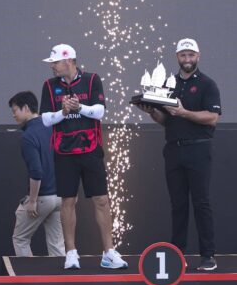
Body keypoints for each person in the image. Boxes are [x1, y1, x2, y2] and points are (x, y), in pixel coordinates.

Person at [135, 38, 221, 271]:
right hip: (173, 149)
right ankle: (178, 255)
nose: (187, 59)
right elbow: (166, 120)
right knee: (178, 204)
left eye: (191, 55)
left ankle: (208, 255)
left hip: (199, 148)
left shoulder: (207, 84)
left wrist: (184, 112)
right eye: (183, 55)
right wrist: (152, 112)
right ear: (177, 57)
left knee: (201, 202)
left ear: (198, 56)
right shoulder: (168, 84)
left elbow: (213, 117)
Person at [39, 44, 127, 270]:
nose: (52, 66)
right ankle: (71, 253)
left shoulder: (92, 79)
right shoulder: (49, 86)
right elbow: (46, 119)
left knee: (102, 200)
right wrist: (64, 112)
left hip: (91, 149)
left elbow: (99, 112)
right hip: (64, 151)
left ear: (69, 60)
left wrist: (79, 107)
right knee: (68, 201)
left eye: (55, 62)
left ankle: (108, 252)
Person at [8, 91, 64, 257]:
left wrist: (32, 201)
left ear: (26, 108)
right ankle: (63, 282)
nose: (13, 115)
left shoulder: (27, 136)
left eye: (15, 110)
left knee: (20, 239)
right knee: (57, 245)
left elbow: (36, 172)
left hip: (42, 197)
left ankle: (28, 281)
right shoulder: (51, 128)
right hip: (59, 197)